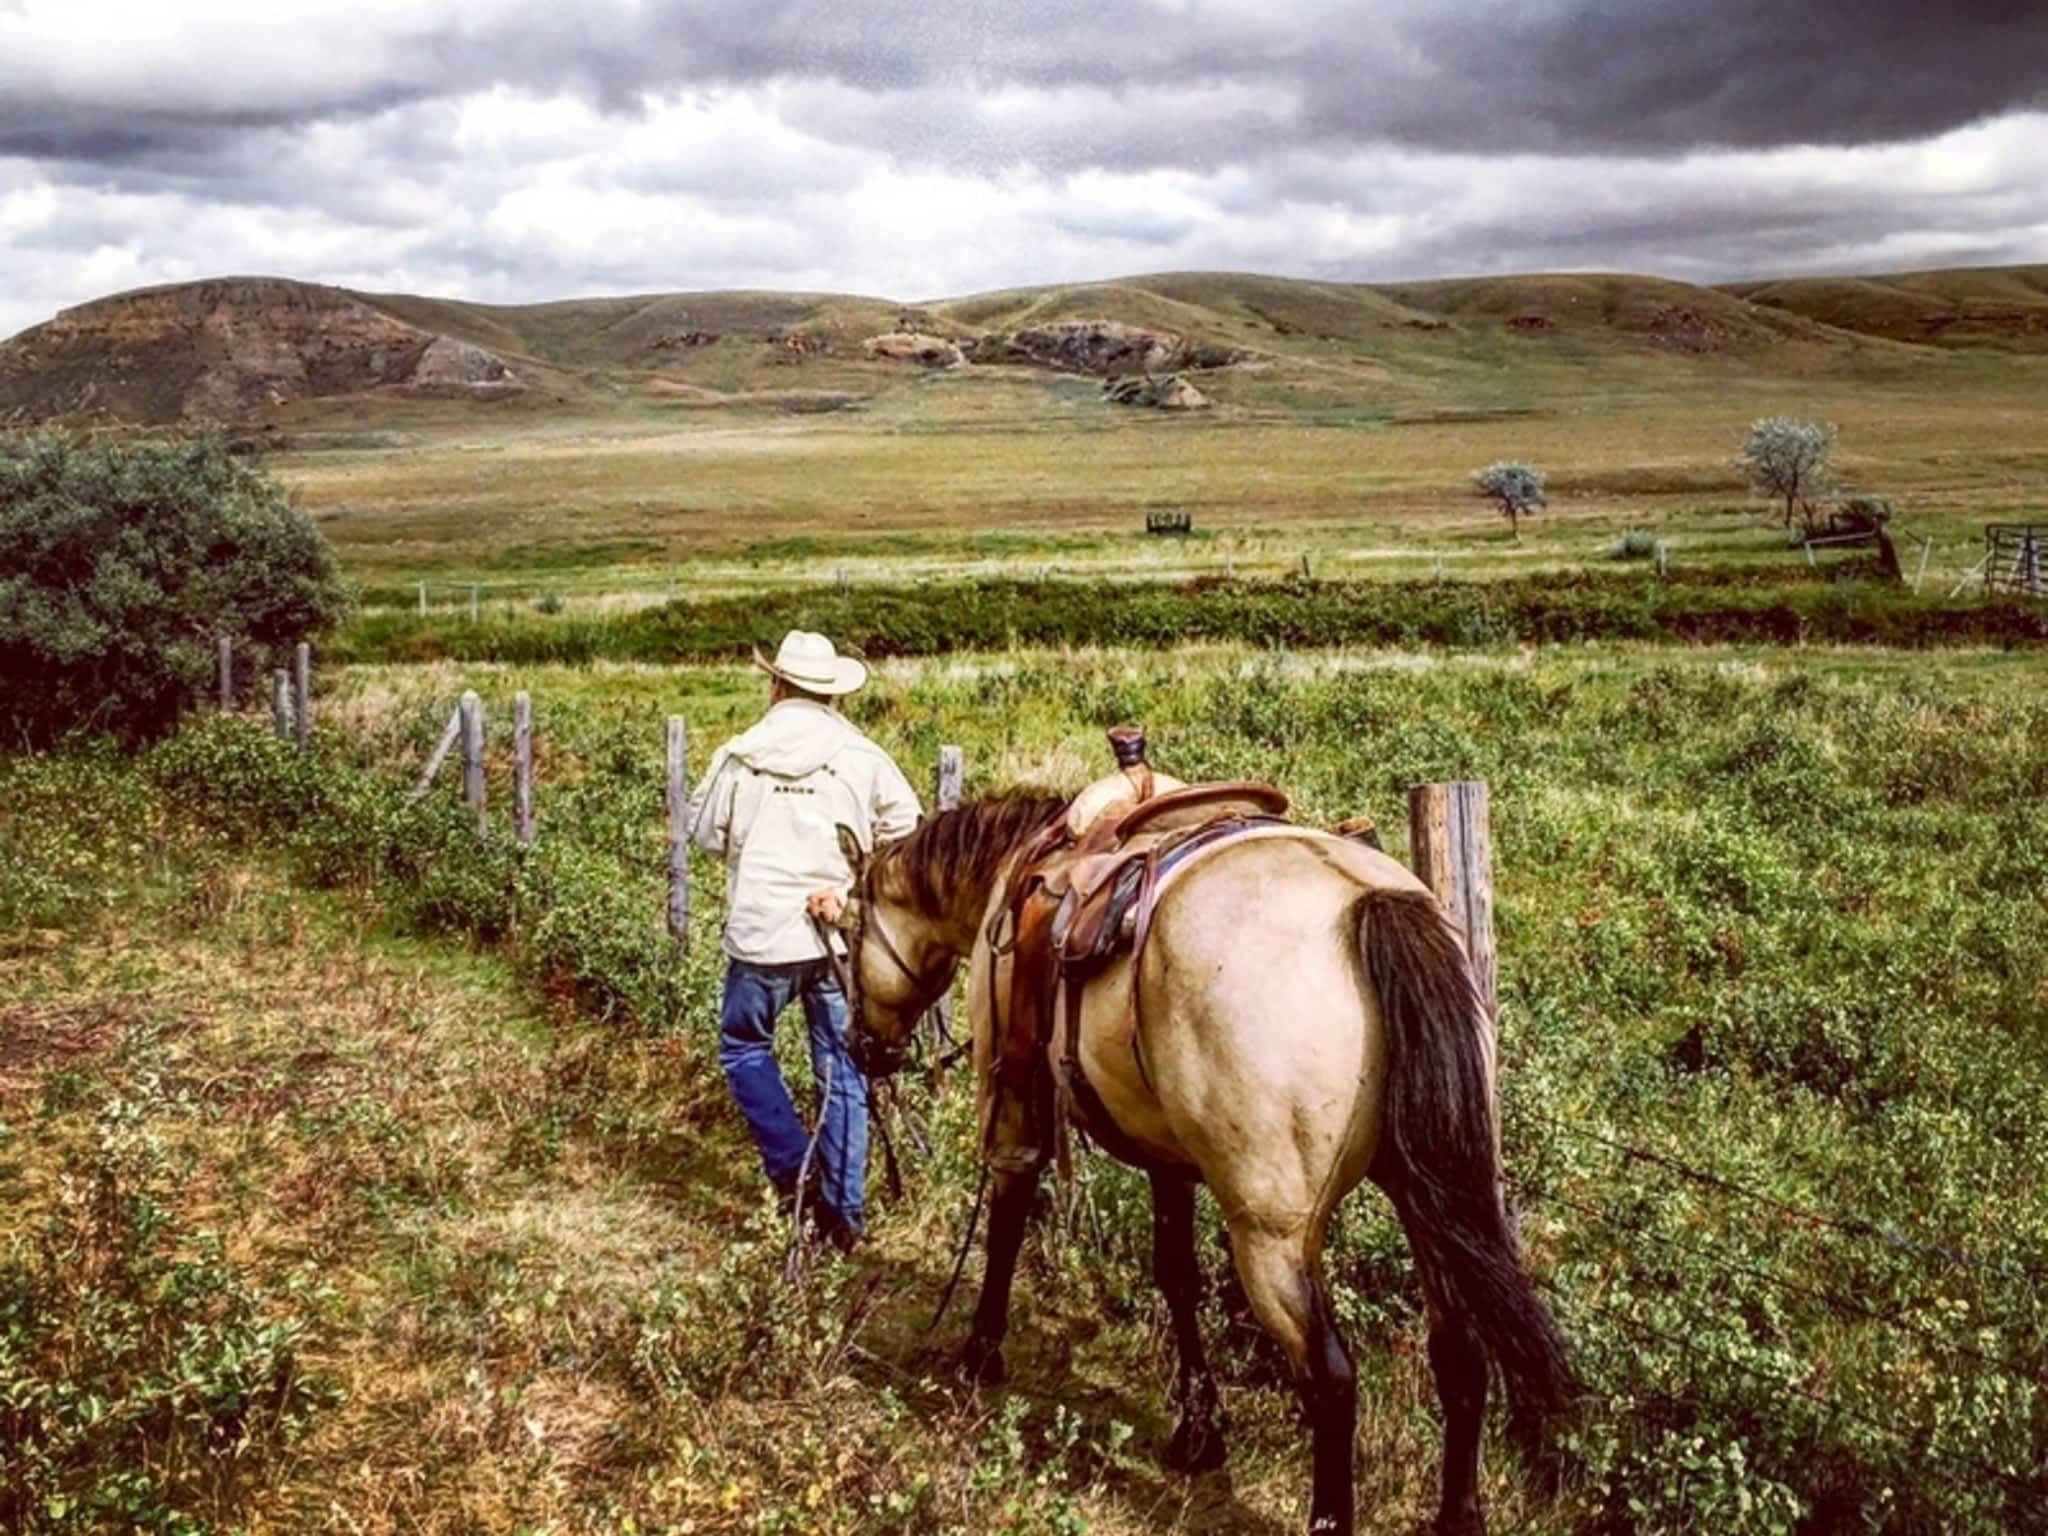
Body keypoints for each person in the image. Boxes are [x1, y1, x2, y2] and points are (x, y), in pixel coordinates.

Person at [686, 630, 921, 1250]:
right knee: (843, 1067)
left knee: (743, 1046)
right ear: (831, 695)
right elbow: (908, 830)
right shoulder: (862, 755)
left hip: (763, 936)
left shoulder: (740, 755)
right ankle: (843, 1216)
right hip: (837, 937)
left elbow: (706, 835)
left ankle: (796, 1175)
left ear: (776, 686)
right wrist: (851, 893)